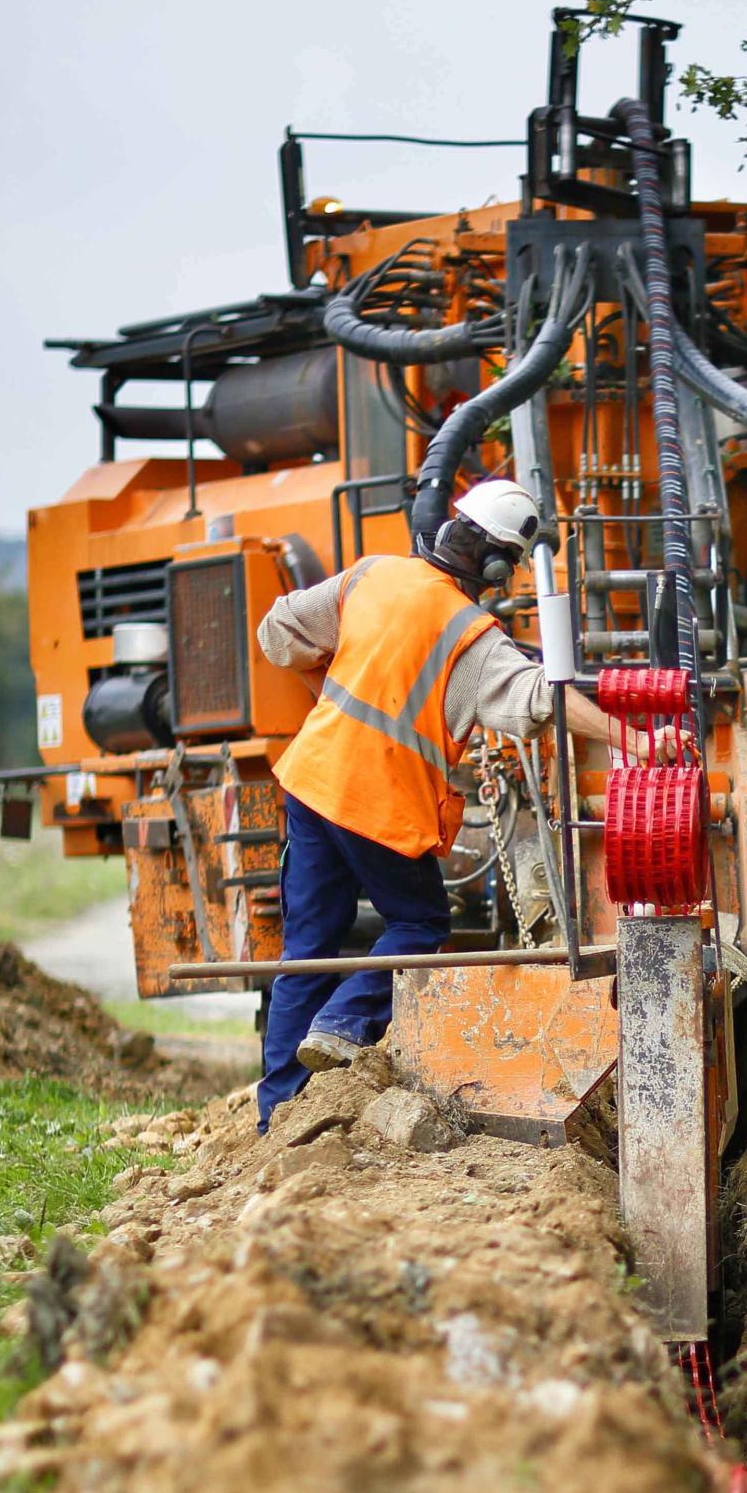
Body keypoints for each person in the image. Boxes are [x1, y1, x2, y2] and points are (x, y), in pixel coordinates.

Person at [252, 475, 554, 1130]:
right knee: (419, 926)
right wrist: (628, 731)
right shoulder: (472, 632)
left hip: (311, 779)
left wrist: (329, 688)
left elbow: (276, 632)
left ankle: (275, 1116)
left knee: (304, 951)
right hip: (377, 801)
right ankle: (342, 1021)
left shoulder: (373, 574)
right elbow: (540, 701)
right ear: (499, 566)